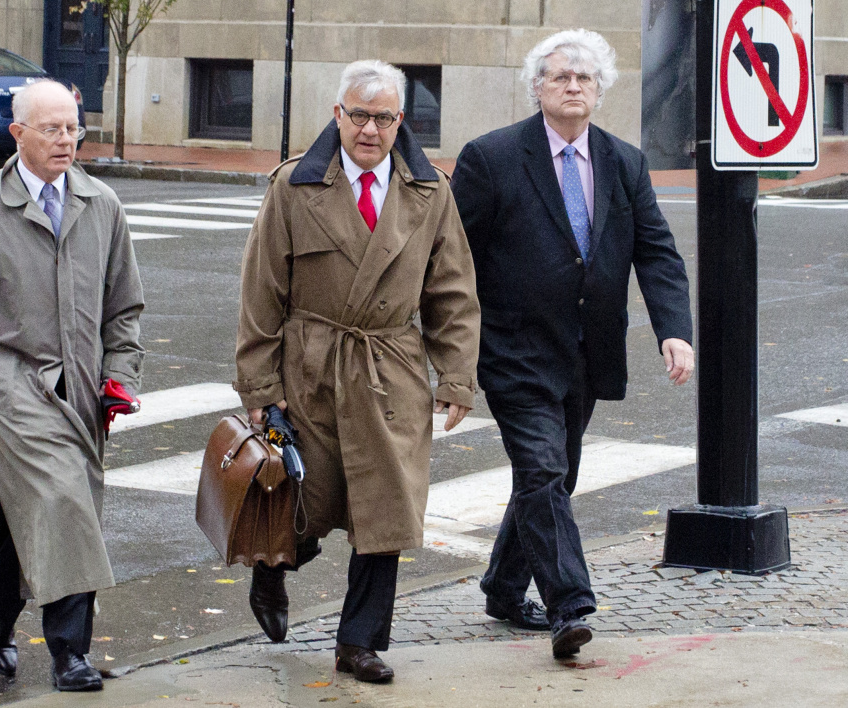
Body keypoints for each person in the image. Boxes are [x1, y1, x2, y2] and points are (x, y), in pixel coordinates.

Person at [233, 59, 480, 683]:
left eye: (385, 118)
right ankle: (273, 570)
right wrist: (260, 388)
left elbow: (451, 292)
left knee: (386, 510)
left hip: (391, 369)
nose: (371, 130)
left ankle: (359, 641)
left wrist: (454, 378)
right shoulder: (294, 187)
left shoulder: (429, 193)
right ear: (337, 115)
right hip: (310, 371)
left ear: (402, 122)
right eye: (359, 115)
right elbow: (262, 292)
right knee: (306, 505)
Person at [450, 29, 694, 659]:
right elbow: (450, 259)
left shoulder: (623, 161)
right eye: (560, 76)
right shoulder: (492, 157)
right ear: (538, 86)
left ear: (599, 90)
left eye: (585, 78)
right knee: (543, 470)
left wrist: (674, 330)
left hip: (587, 352)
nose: (573, 86)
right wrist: (449, 348)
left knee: (551, 479)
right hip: (512, 350)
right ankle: (570, 605)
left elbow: (656, 251)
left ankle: (504, 588)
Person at [0, 80, 144, 691]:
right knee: (61, 500)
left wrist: (119, 375)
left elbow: (124, 306)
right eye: (51, 129)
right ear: (17, 133)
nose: (66, 139)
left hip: (81, 387)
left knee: (49, 511)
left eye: (73, 127)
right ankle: (69, 651)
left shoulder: (102, 205)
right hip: (10, 382)